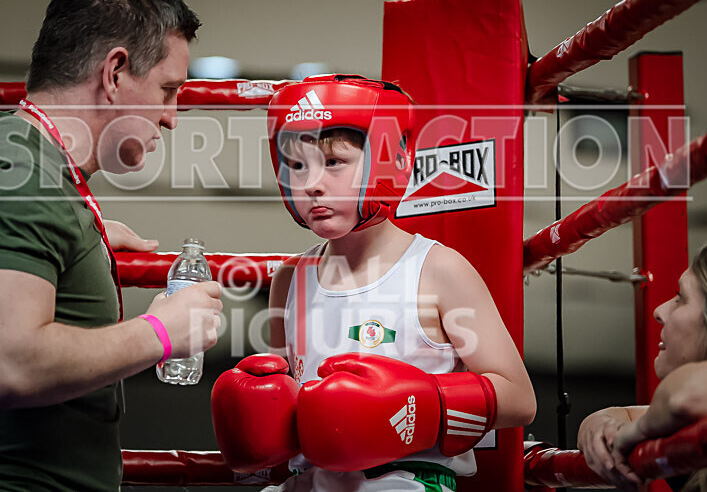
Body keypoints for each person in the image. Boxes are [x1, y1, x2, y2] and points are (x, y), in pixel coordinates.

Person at [0, 0, 222, 490]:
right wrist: (160, 333)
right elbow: (8, 365)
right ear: (114, 72)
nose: (172, 117)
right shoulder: (14, 175)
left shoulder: (26, 170)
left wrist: (77, 236)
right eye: (167, 90)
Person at [211, 75, 536, 491]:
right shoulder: (291, 278)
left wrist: (418, 405)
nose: (312, 184)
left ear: (391, 162)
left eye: (334, 163)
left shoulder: (437, 270)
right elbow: (287, 403)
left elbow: (520, 398)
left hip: (409, 482)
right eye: (296, 165)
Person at [577, 237, 707, 491]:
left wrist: (634, 433)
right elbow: (628, 413)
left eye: (680, 298)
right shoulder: (696, 418)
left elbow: (685, 394)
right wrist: (600, 425)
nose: (659, 311)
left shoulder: (692, 401)